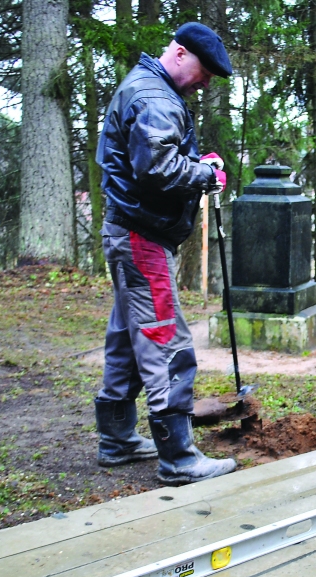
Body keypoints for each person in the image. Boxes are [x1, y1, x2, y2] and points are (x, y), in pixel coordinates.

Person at [95, 22, 236, 485]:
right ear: (179, 54)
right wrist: (204, 177)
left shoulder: (146, 88)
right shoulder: (155, 98)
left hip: (130, 229)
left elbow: (156, 157)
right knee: (165, 340)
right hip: (142, 234)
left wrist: (198, 165)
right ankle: (178, 457)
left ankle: (116, 439)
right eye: (204, 71)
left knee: (125, 338)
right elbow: (155, 167)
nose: (206, 82)